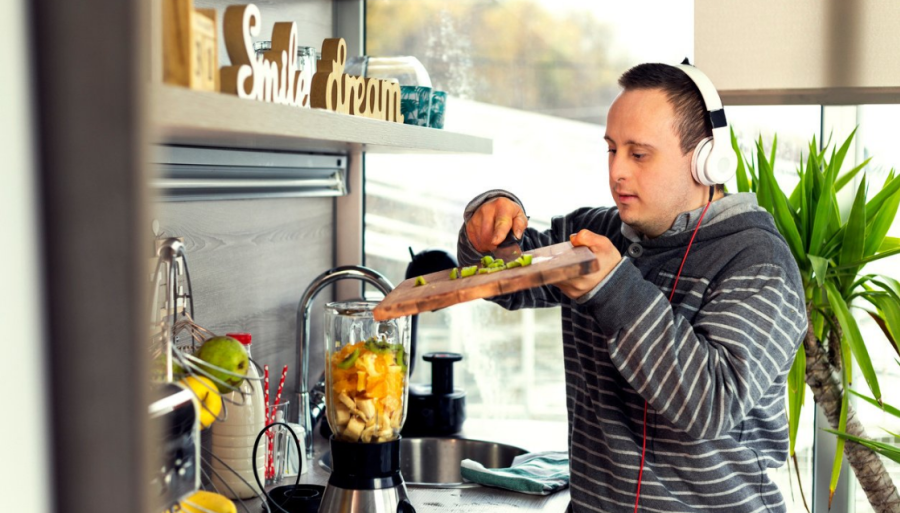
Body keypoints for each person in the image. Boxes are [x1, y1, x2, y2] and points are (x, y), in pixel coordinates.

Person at [458, 63, 807, 512]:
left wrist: (612, 286)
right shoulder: (600, 232)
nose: (617, 171)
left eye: (639, 154)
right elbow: (502, 282)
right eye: (611, 149)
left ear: (705, 160)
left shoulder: (759, 263)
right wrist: (487, 226)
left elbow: (709, 404)